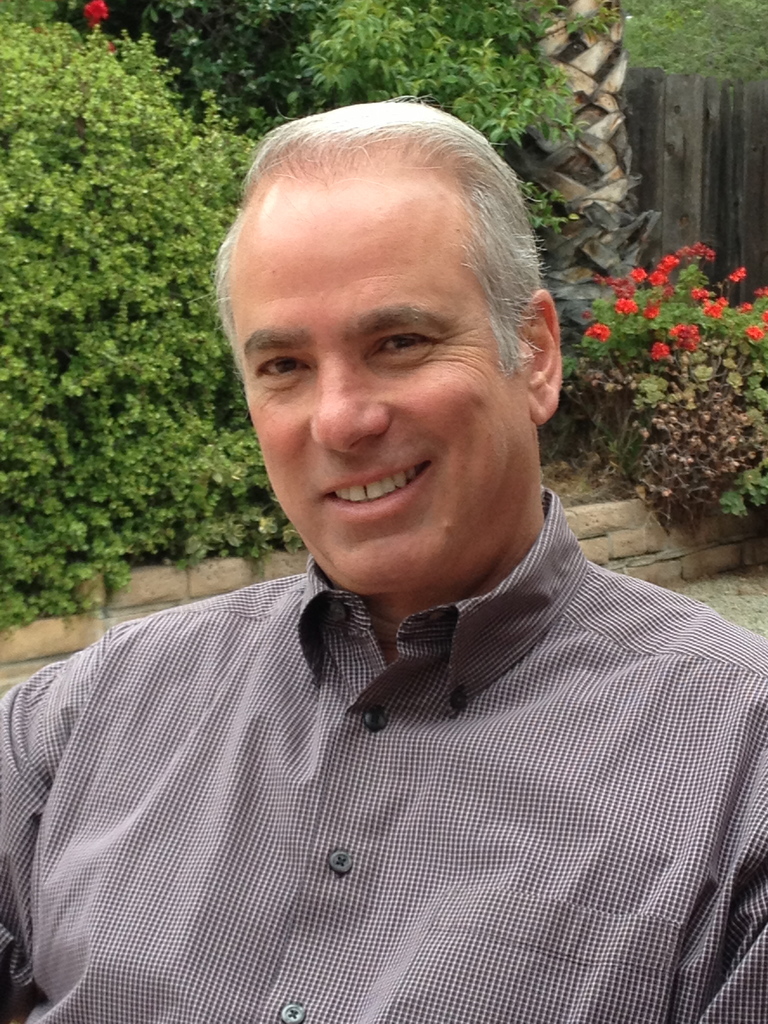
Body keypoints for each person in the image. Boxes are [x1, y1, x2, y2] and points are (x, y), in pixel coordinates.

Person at [1, 100, 767, 1024]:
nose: (340, 419)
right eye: (284, 365)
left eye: (399, 344)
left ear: (534, 354)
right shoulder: (85, 716)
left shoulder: (741, 771)